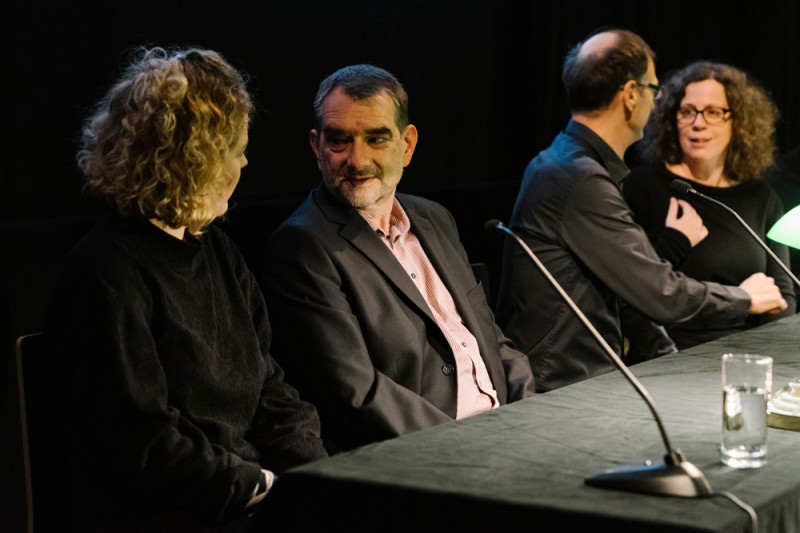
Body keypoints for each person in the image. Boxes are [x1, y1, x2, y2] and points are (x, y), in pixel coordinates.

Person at [43, 47, 327, 532]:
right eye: (235, 150)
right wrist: (260, 486)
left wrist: (321, 475)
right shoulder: (105, 274)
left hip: (238, 493)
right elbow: (144, 445)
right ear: (194, 160)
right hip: (165, 512)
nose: (245, 161)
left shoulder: (218, 251)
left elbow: (269, 388)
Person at [494, 29, 787, 393]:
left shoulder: (572, 166)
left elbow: (632, 290)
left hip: (588, 376)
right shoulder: (579, 178)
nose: (657, 100)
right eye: (653, 88)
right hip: (564, 385)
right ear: (631, 95)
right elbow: (660, 293)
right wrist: (745, 299)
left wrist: (668, 357)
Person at [261, 64, 535, 452]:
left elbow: (491, 340)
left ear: (407, 145)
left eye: (376, 139)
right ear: (316, 147)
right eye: (339, 141)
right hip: (426, 456)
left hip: (506, 433)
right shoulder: (302, 246)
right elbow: (356, 392)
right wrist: (473, 444)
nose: (357, 160)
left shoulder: (435, 218)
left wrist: (531, 415)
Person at [624, 61, 796, 349]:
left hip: (749, 354)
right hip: (674, 355)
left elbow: (783, 298)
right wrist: (743, 301)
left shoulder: (761, 198)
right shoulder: (642, 187)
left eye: (714, 112)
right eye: (687, 111)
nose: (698, 123)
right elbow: (635, 291)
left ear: (738, 122)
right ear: (671, 118)